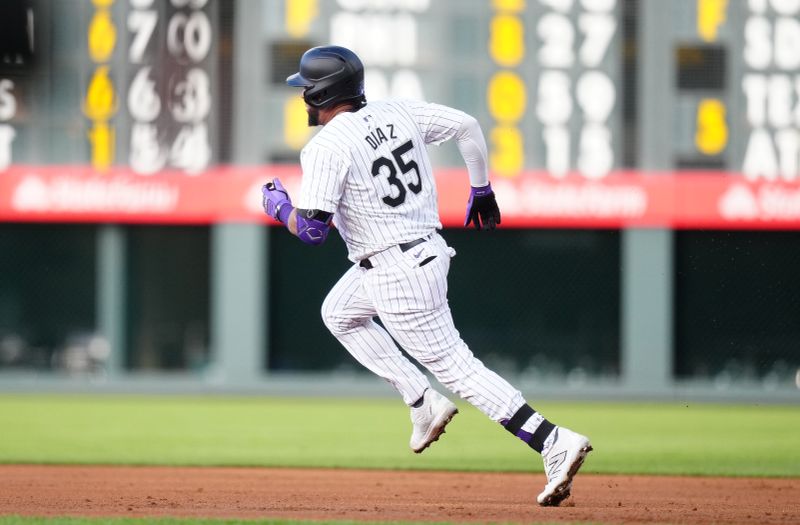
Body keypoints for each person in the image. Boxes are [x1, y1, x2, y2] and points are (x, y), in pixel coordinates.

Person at [262, 45, 592, 507]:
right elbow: (467, 127)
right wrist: (481, 186)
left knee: (458, 369)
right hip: (422, 253)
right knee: (338, 311)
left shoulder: (325, 147)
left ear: (319, 95)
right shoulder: (396, 111)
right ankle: (422, 401)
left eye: (306, 91)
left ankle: (552, 441)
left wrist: (278, 207)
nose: (303, 100)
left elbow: (313, 231)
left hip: (396, 272)